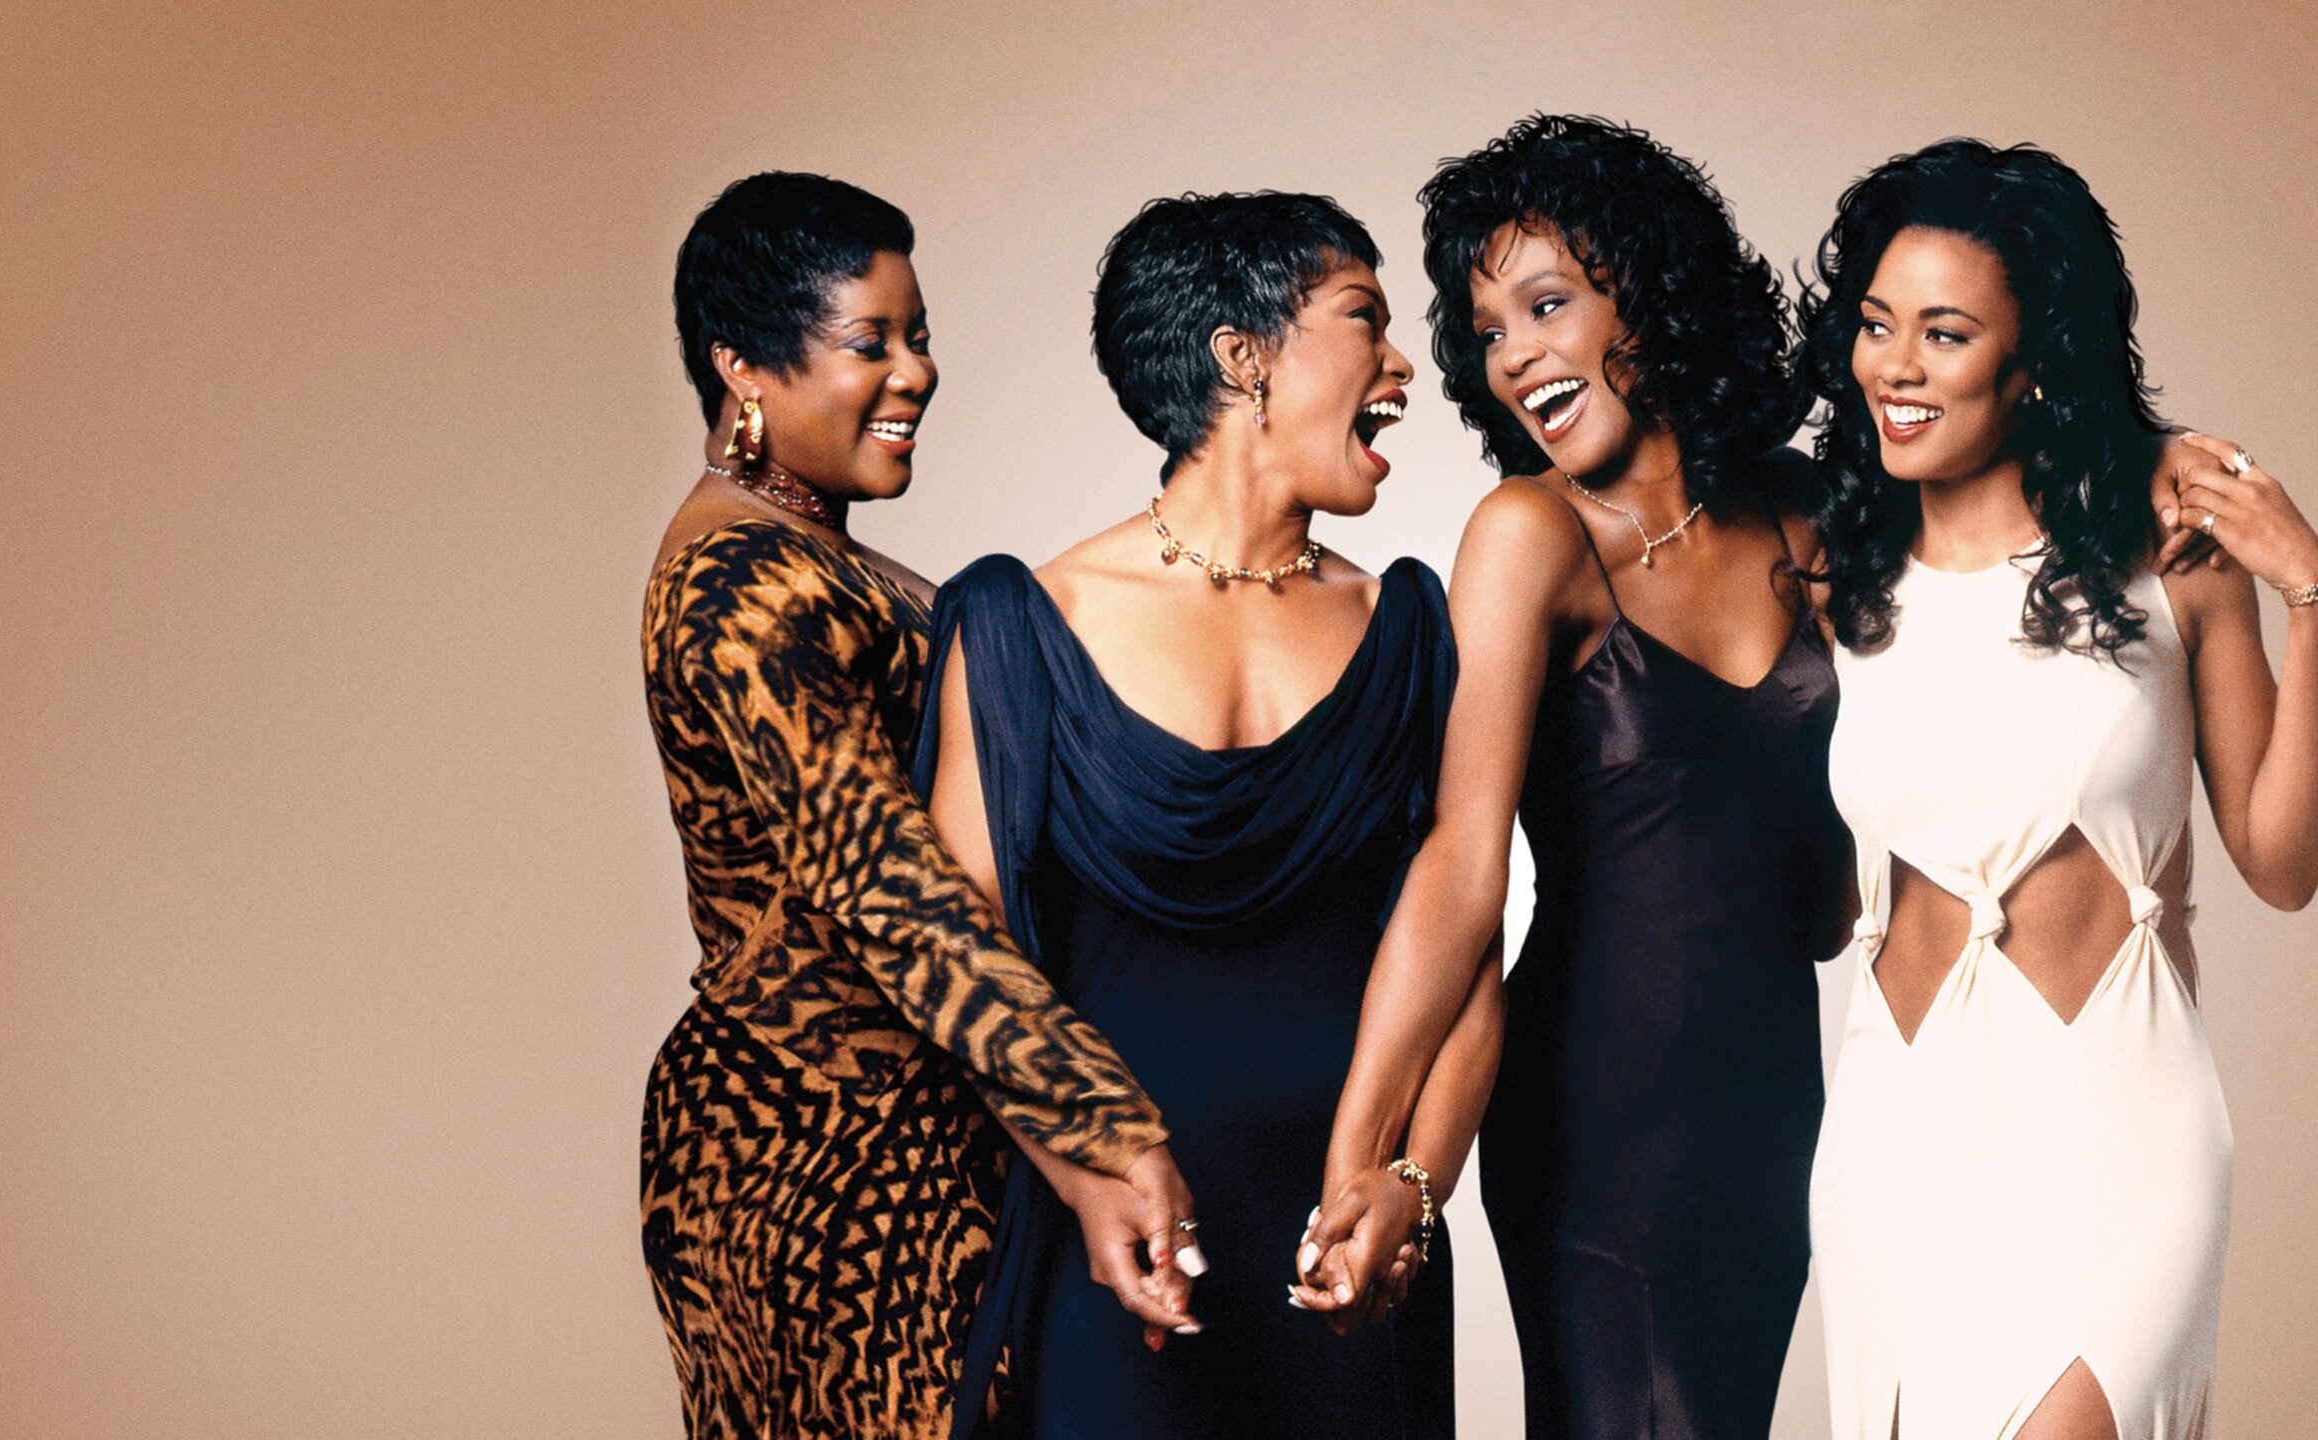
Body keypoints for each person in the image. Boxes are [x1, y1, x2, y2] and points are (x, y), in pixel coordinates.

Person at [1299, 115, 1852, 1439]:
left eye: (1547, 305)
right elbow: (1460, 864)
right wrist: (1362, 1158)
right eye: (1488, 330)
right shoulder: (1529, 534)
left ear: (1650, 296)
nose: (1514, 356)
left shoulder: (1803, 512)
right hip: (1600, 1112)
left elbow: (1838, 896)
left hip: (1777, 1106)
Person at [638, 170, 1190, 1440]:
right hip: (815, 1147)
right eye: (870, 341)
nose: (917, 372)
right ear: (744, 368)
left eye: (920, 335)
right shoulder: (737, 585)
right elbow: (887, 886)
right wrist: (1100, 1127)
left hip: (923, 1126)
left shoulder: (812, 552)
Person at [916, 190, 1455, 1439]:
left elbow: (1464, 953)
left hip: (1351, 1244)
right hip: (1122, 1238)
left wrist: (1411, 1185)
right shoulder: (1019, 626)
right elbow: (963, 969)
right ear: (1242, 356)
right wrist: (1088, 1176)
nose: (1401, 366)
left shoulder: (1408, 626)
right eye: (1364, 319)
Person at [1801, 139, 2318, 1440]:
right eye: (1876, 325)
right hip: (1898, 1127)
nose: (1895, 366)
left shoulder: (2171, 545)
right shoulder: (1836, 574)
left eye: (1945, 333)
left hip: (2112, 1130)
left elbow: (2281, 862)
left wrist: (2312, 594)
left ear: (2036, 361)